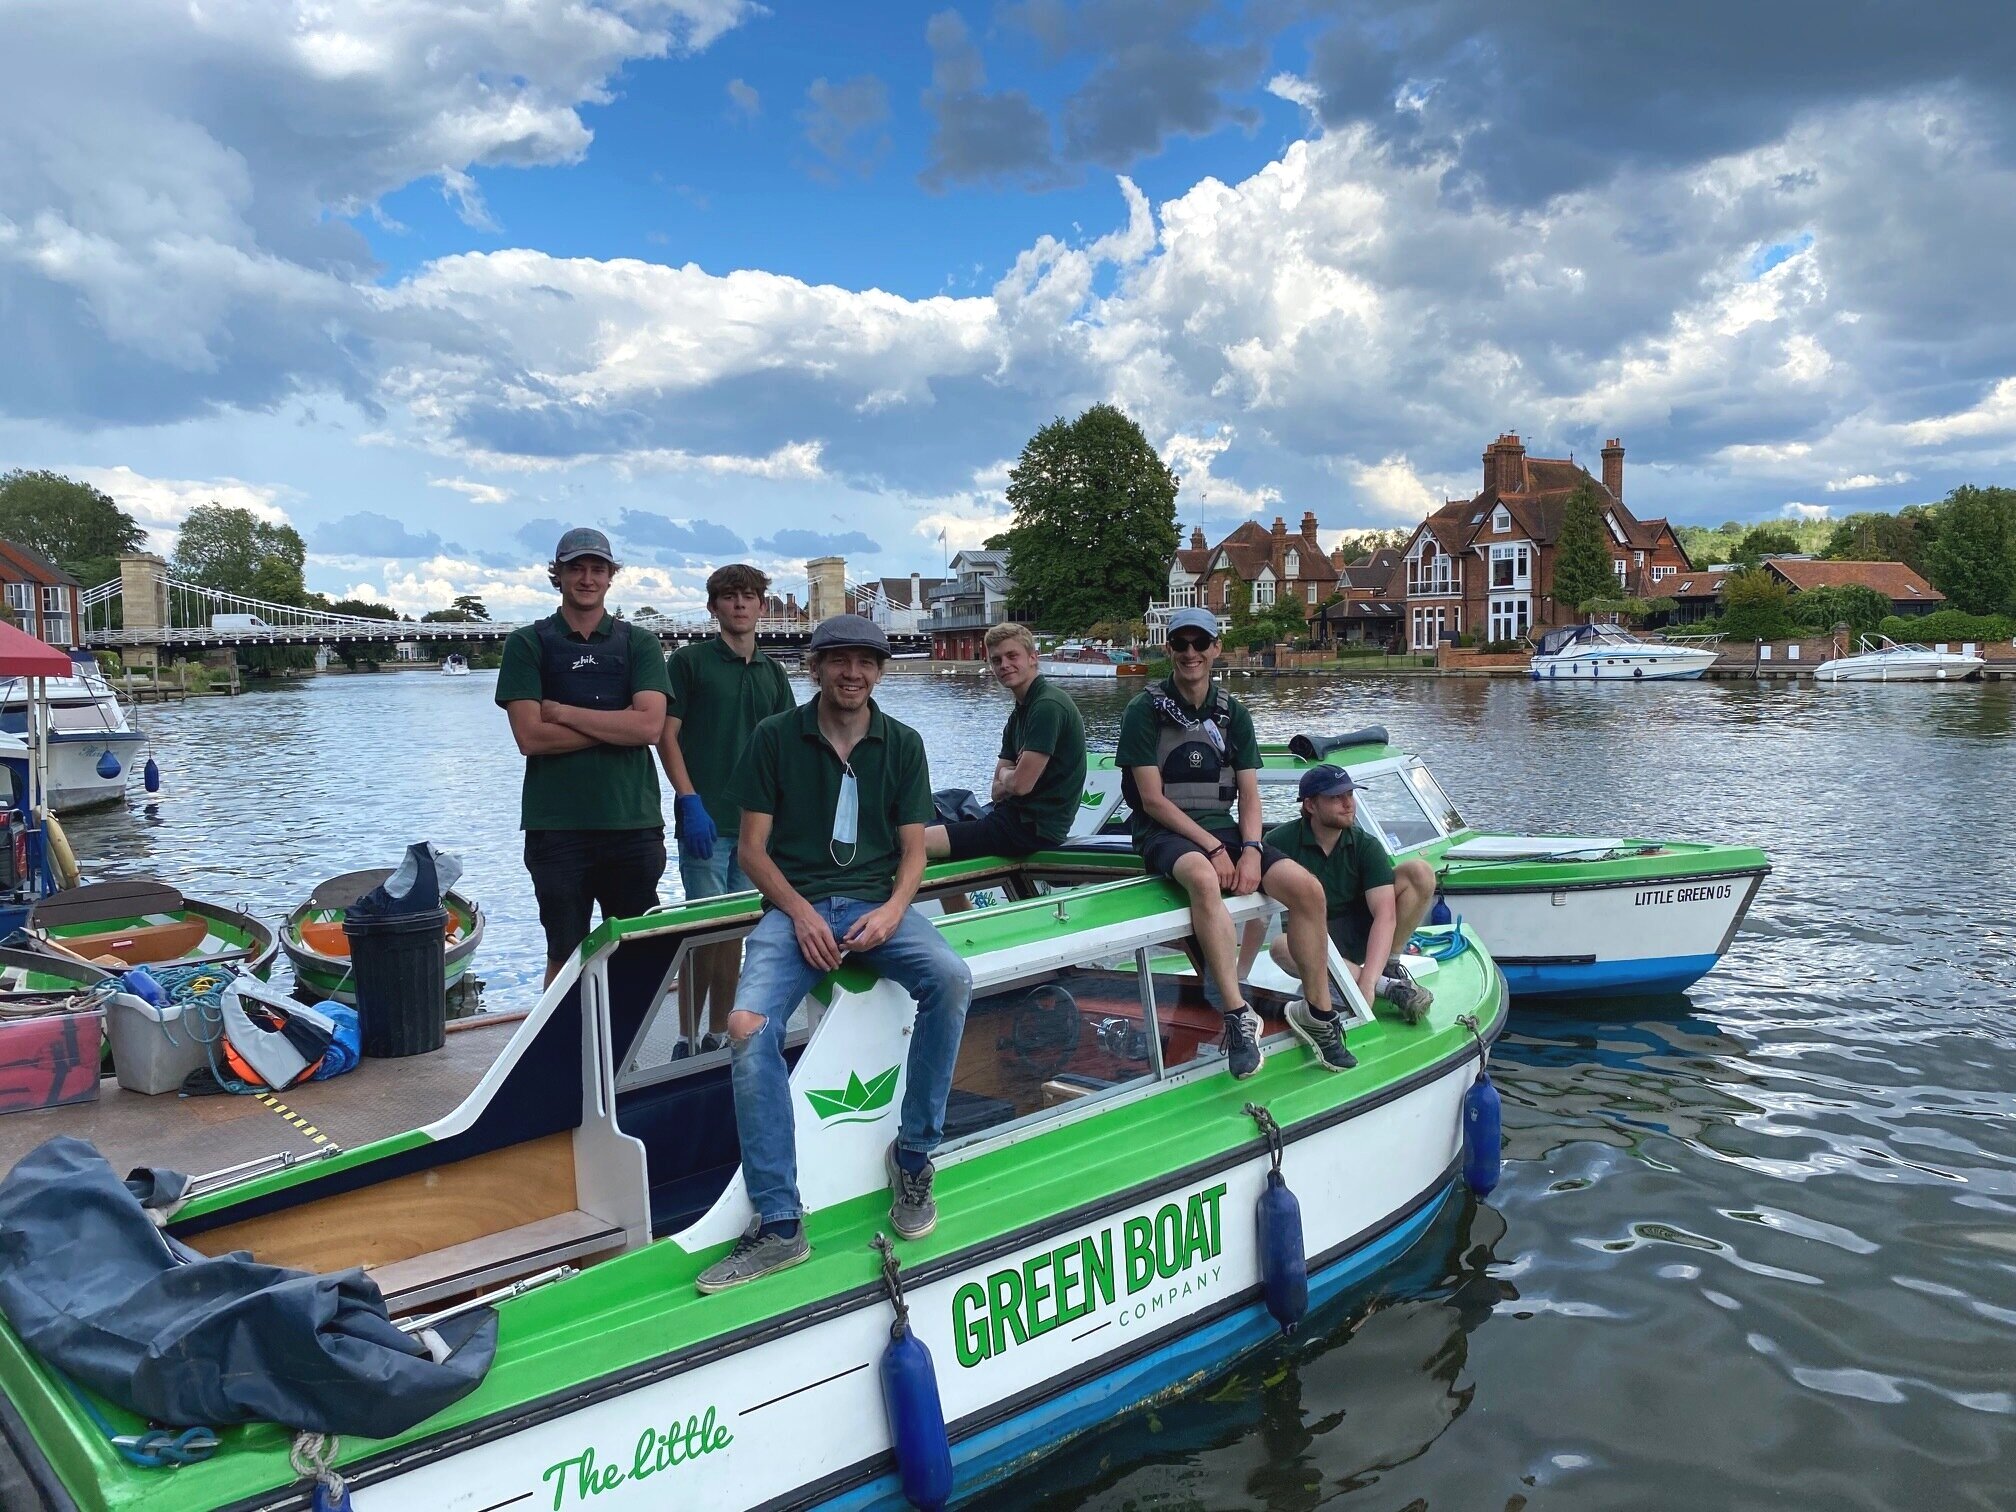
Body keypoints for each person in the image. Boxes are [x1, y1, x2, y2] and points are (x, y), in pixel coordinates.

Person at [696, 614, 972, 1293]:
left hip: (876, 902)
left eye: (866, 661)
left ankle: (913, 1155)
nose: (853, 672)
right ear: (815, 667)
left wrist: (892, 911)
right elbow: (751, 851)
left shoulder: (901, 744)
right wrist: (798, 914)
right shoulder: (775, 739)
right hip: (797, 908)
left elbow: (913, 852)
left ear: (880, 671)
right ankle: (781, 1223)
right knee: (745, 1028)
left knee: (951, 978)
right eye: (839, 660)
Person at [1117, 607, 1352, 1079]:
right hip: (1164, 833)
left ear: (1214, 649)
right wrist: (1216, 850)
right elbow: (1151, 800)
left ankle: (1318, 1013)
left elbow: (1249, 793)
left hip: (1225, 831)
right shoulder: (1143, 711)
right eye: (1180, 644)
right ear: (1169, 649)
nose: (1190, 653)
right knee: (1204, 879)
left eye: (1199, 644)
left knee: (1308, 890)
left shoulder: (1233, 714)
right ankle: (1236, 1014)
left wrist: (1250, 848)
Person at [496, 527, 671, 985]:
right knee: (564, 951)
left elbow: (650, 727)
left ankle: (628, 1054)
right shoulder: (527, 643)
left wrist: (565, 713)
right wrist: (618, 726)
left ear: (612, 577)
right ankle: (560, 1052)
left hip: (631, 822)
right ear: (558, 575)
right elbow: (531, 737)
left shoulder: (639, 643)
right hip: (557, 827)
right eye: (577, 568)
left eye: (598, 569)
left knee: (637, 950)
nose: (587, 578)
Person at [659, 564, 797, 1047]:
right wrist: (688, 798)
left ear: (763, 605)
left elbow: (787, 749)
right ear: (713, 606)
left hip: (756, 829)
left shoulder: (773, 672)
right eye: (729, 596)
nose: (740, 604)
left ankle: (717, 1035)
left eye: (749, 596)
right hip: (705, 822)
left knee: (735, 935)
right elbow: (666, 735)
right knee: (704, 932)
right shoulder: (690, 663)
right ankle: (684, 1036)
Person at [1244, 766, 1436, 1023]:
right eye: (1336, 797)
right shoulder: (1279, 842)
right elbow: (1259, 911)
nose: (1348, 804)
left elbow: (1385, 915)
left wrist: (1366, 987)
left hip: (1363, 934)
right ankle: (1389, 986)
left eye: (1350, 794)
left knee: (1420, 872)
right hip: (1312, 936)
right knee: (1280, 947)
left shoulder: (1365, 845)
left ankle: (1387, 965)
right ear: (1311, 805)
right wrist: (1239, 975)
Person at [925, 621, 1086, 861]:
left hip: (1031, 830)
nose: (1004, 665)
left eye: (1012, 656)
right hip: (1011, 820)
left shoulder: (1047, 706)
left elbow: (1020, 785)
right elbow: (996, 791)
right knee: (931, 827)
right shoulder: (1019, 713)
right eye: (997, 660)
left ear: (1033, 657)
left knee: (916, 842)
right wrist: (1010, 777)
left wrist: (1009, 777)